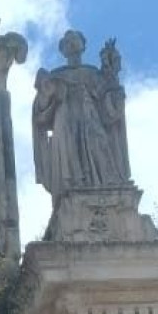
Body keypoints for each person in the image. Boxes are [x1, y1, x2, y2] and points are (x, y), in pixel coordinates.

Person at [32, 32, 131, 194]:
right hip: (65, 119)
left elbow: (109, 98)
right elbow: (41, 110)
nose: (71, 44)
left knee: (98, 144)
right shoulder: (56, 75)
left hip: (89, 115)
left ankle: (106, 182)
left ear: (83, 45)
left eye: (75, 40)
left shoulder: (92, 73)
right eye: (67, 42)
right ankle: (73, 187)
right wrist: (46, 90)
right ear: (62, 50)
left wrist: (111, 69)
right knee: (69, 154)